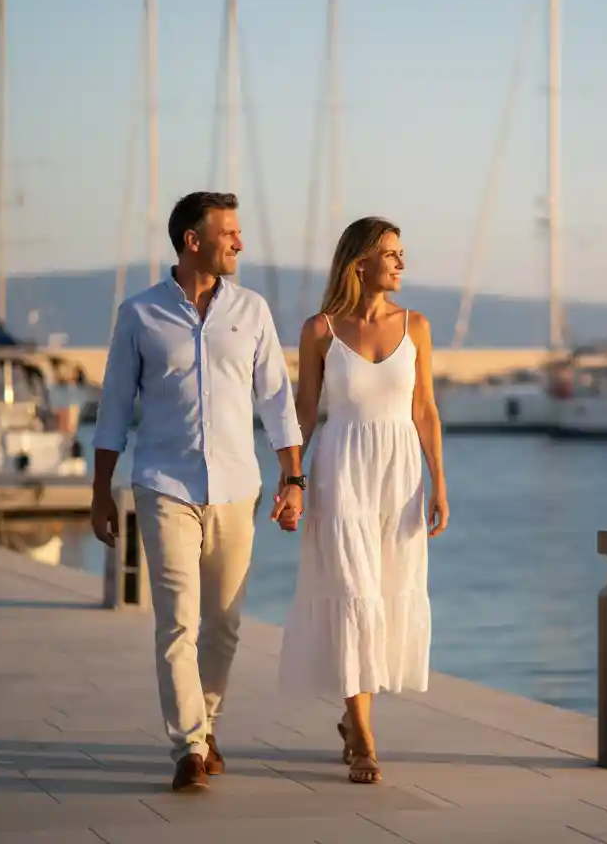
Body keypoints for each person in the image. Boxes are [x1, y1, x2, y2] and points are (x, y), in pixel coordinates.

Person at [90, 191, 305, 793]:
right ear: (194, 239)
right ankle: (188, 745)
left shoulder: (253, 310)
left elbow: (276, 402)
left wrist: (293, 477)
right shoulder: (139, 315)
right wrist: (101, 490)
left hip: (238, 487)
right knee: (177, 622)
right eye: (229, 232)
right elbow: (113, 408)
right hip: (163, 484)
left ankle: (206, 724)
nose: (239, 243)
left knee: (225, 624)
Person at [276, 216, 448, 785]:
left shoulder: (416, 326)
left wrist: (440, 482)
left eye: (402, 253)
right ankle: (364, 735)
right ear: (360, 263)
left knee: (384, 595)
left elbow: (425, 409)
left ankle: (355, 722)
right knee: (353, 592)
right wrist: (291, 480)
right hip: (339, 470)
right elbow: (303, 411)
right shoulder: (320, 330)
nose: (401, 263)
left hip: (399, 477)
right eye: (391, 254)